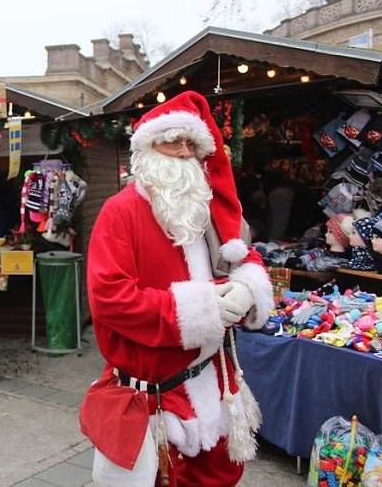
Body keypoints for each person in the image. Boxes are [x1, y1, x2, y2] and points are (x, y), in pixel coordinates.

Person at [80, 91, 273, 486]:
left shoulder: (207, 207)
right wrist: (201, 309)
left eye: (192, 144)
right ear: (149, 148)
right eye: (173, 142)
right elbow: (110, 299)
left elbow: (243, 253)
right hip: (157, 403)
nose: (184, 154)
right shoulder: (120, 211)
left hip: (217, 388)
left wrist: (247, 289)